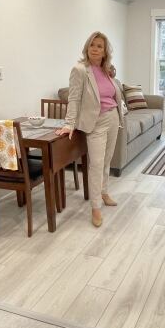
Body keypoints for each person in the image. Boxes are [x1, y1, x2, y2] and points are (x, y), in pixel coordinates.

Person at [57, 32, 124, 227]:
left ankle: (103, 192)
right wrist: (69, 124)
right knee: (96, 164)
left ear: (105, 52)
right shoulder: (79, 70)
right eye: (92, 45)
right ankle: (95, 207)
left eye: (100, 46)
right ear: (87, 47)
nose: (95, 49)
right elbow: (74, 98)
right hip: (95, 123)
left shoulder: (106, 70)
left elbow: (112, 95)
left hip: (112, 118)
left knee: (106, 161)